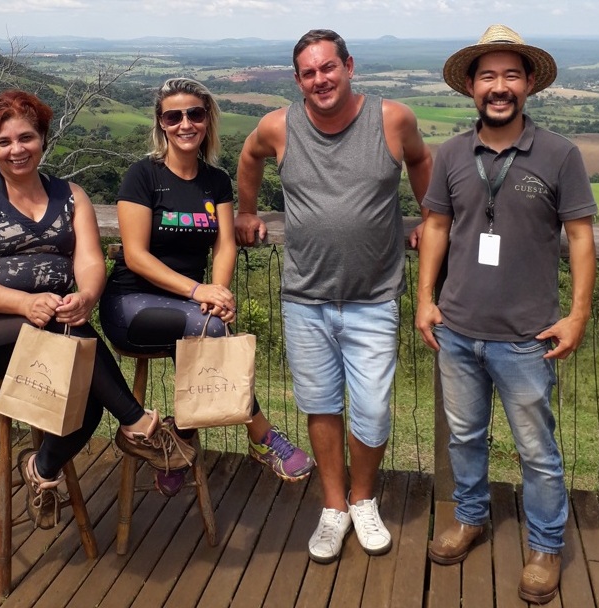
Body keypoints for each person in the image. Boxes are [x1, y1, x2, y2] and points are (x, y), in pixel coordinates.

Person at [0, 90, 195, 530]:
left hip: (53, 329)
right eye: (3, 142)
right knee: (67, 338)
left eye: (26, 137)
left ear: (42, 139)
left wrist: (87, 296)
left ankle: (42, 468)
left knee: (85, 379)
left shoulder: (70, 195)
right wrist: (25, 303)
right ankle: (140, 425)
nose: (17, 149)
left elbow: (90, 260)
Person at [235, 30, 433, 563]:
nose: (320, 79)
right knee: (320, 406)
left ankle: (363, 499)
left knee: (372, 409)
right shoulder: (278, 126)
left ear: (350, 66)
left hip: (373, 298)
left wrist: (434, 218)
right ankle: (333, 507)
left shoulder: (391, 120)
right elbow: (249, 157)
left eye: (328, 68)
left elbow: (420, 161)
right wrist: (247, 210)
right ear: (297, 79)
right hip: (305, 295)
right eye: (308, 72)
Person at [415, 25, 597, 604]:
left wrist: (578, 316)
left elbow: (581, 238)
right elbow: (437, 227)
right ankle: (470, 518)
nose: (499, 87)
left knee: (536, 450)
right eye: (488, 75)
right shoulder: (450, 152)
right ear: (471, 86)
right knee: (465, 438)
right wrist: (424, 298)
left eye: (511, 75)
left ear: (529, 85)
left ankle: (545, 546)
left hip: (526, 336)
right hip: (459, 328)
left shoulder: (560, 154)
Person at [99, 77, 315, 497]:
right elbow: (137, 256)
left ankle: (175, 445)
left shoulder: (215, 181)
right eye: (173, 116)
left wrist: (220, 292)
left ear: (207, 119)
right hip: (130, 302)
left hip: (188, 307)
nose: (185, 124)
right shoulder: (143, 175)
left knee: (205, 334)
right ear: (161, 123)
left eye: (194, 114)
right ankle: (262, 434)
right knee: (210, 333)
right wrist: (200, 294)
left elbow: (225, 244)